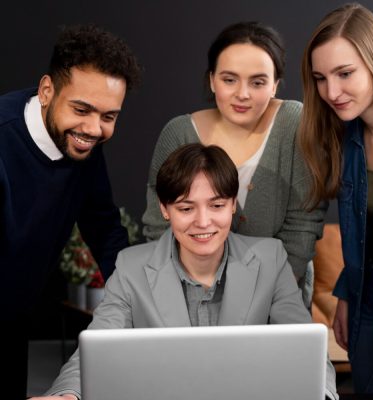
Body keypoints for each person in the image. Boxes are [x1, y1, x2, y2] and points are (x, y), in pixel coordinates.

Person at [30, 143, 338, 400]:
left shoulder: (270, 258)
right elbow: (93, 350)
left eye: (216, 205)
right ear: (165, 209)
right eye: (186, 208)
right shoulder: (130, 266)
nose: (203, 222)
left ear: (232, 204)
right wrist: (67, 395)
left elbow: (309, 353)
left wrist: (322, 394)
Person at [142, 21, 326, 305]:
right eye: (229, 79)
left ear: (275, 84)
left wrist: (261, 298)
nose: (243, 94)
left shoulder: (294, 124)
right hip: (190, 297)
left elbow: (303, 225)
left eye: (258, 82)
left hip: (278, 294)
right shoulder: (178, 133)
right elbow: (158, 227)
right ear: (212, 79)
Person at [0, 24, 140, 399]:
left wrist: (136, 303)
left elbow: (105, 228)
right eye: (82, 109)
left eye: (109, 116)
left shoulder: (81, 143)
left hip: (15, 319)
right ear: (47, 90)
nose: (94, 129)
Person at [300, 3, 373, 393]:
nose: (331, 92)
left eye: (345, 74)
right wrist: (346, 290)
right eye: (321, 78)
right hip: (367, 308)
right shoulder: (347, 140)